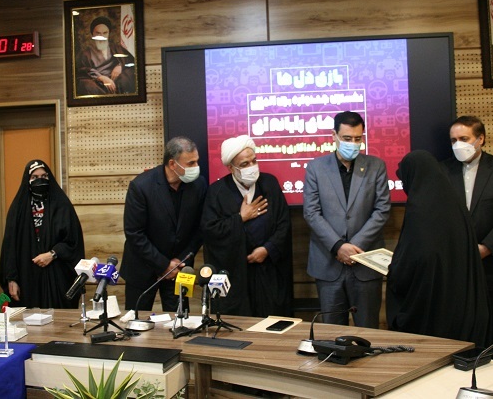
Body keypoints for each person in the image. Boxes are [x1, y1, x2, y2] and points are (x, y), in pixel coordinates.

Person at [441, 116, 493, 361]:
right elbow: (437, 217)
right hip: (458, 270)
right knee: (461, 335)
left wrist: (486, 248)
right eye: (453, 140)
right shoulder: (442, 171)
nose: (458, 145)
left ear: (480, 139)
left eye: (464, 139)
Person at [386, 150, 489, 346]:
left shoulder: (420, 210)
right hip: (461, 310)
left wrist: (394, 270)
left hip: (430, 313)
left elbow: (412, 263)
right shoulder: (456, 206)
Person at [303, 111, 391, 328]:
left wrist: (354, 247)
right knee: (331, 332)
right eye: (347, 138)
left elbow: (382, 210)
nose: (353, 144)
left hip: (365, 263)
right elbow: (312, 212)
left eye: (357, 138)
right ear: (334, 136)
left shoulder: (376, 166)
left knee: (368, 331)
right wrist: (338, 246)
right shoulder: (316, 168)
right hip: (328, 263)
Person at [200, 135, 292, 317]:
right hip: (236, 273)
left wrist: (267, 249)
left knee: (271, 320)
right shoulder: (217, 192)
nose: (251, 167)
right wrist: (240, 218)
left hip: (268, 270)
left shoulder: (269, 184)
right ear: (231, 168)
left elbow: (284, 223)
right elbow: (210, 231)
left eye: (254, 161)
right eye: (244, 164)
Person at [119, 136, 207, 312]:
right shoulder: (141, 186)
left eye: (197, 161)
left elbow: (200, 228)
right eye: (191, 163)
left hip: (179, 268)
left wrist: (180, 261)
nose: (196, 167)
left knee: (181, 321)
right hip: (143, 267)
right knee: (136, 321)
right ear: (173, 164)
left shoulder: (198, 185)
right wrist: (164, 265)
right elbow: (134, 233)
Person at [0, 160, 85, 308]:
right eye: (35, 177)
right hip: (27, 276)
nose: (40, 180)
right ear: (27, 180)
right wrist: (11, 278)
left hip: (57, 275)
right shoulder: (18, 208)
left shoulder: (62, 205)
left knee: (59, 318)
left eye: (44, 176)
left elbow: (73, 241)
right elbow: (10, 247)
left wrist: (52, 254)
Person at [76, 15, 136, 96]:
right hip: (97, 83)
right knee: (86, 85)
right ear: (92, 34)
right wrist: (101, 77)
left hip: (116, 81)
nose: (102, 37)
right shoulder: (85, 53)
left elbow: (131, 62)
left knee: (127, 75)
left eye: (105, 33)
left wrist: (120, 66)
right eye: (98, 33)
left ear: (108, 34)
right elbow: (82, 70)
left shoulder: (116, 48)